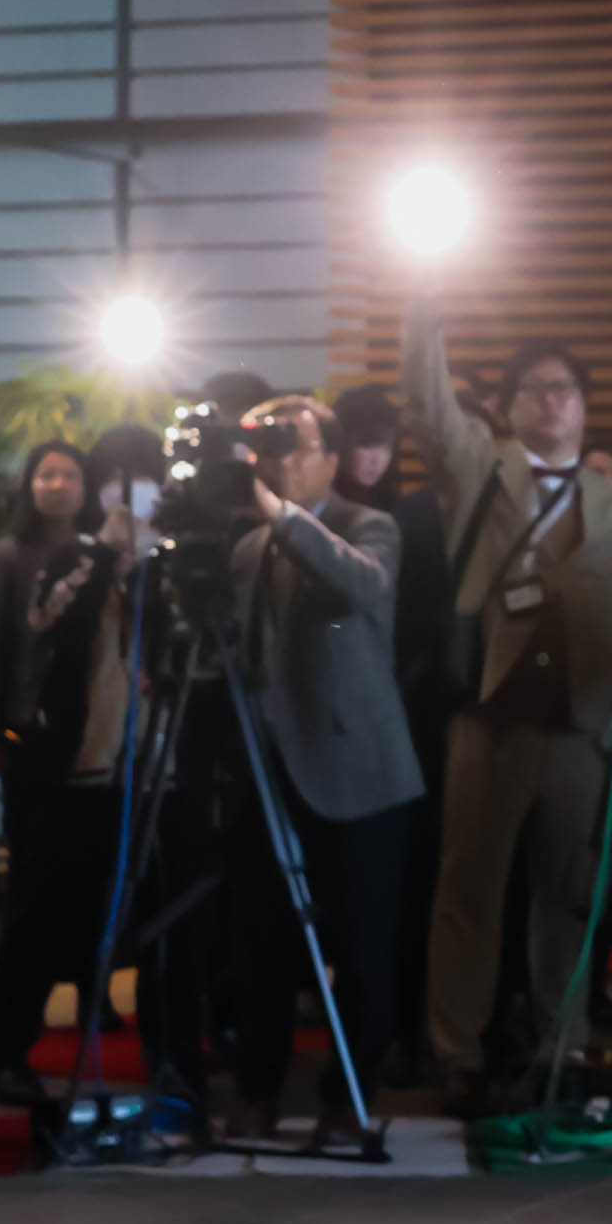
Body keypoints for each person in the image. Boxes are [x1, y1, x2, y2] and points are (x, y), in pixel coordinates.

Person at [400, 292, 612, 1115]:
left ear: (584, 403)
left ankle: (561, 1044)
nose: (552, 398)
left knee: (567, 896)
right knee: (469, 890)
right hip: (491, 713)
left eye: (565, 386)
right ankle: (459, 1051)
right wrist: (422, 305)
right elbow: (429, 408)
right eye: (534, 387)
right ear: (505, 405)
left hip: (584, 719)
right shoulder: (478, 470)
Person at [221, 396, 424, 1148]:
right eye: (266, 446)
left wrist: (285, 519)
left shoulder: (368, 526)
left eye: (292, 444)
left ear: (331, 458)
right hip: (269, 766)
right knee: (257, 946)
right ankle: (257, 1089)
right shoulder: (245, 548)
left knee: (363, 945)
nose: (276, 459)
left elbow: (360, 588)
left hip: (357, 768)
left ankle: (349, 1094)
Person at [0, 440, 133, 1110]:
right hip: (33, 742)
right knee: (30, 898)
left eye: (68, 473)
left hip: (100, 748)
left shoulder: (110, 554)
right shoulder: (9, 557)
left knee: (86, 890)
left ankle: (87, 1005)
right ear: (29, 483)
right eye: (45, 472)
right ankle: (9, 1047)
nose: (57, 484)